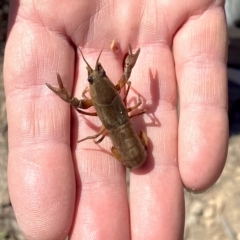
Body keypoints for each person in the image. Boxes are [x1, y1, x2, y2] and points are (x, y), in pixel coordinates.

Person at [4, 1, 228, 239]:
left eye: (98, 73)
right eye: (95, 76)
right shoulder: (116, 86)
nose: (96, 74)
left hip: (120, 133)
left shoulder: (93, 100)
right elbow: (123, 82)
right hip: (125, 129)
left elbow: (81, 104)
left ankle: (126, 154)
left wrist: (80, 99)